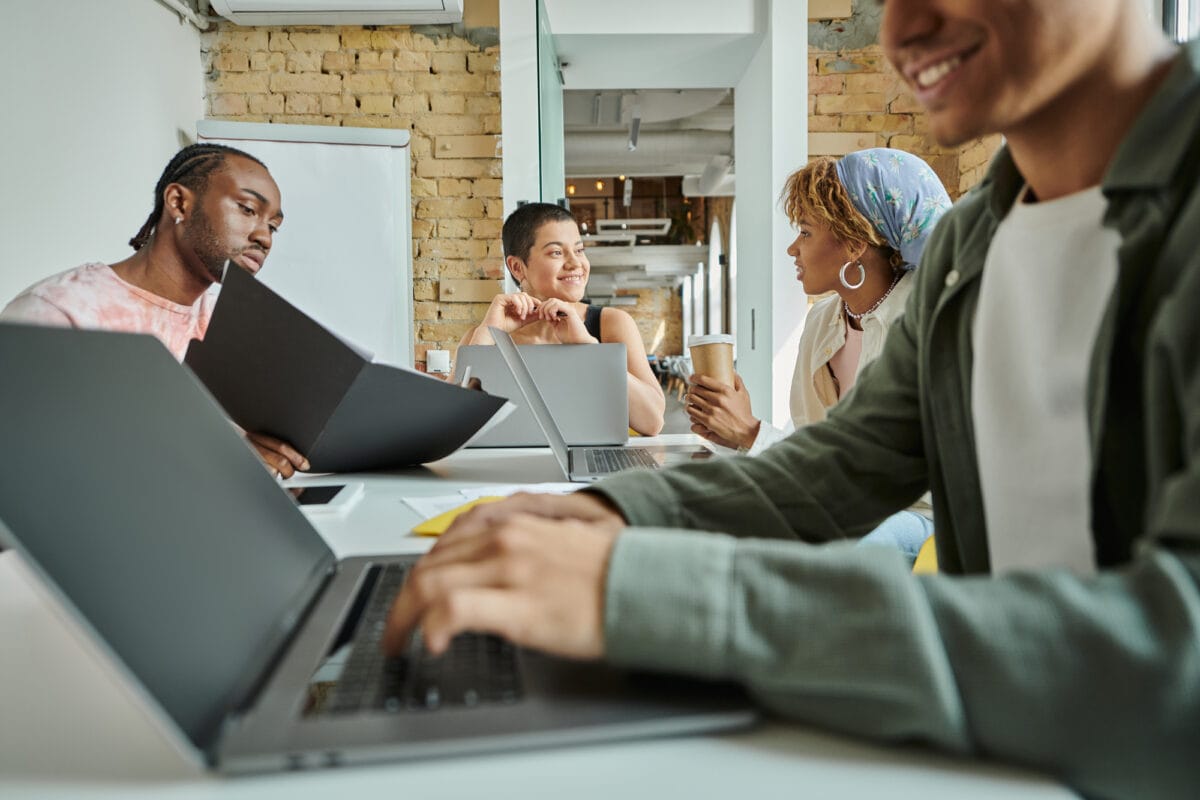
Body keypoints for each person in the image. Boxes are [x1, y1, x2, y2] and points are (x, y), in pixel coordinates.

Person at [381, 1, 1200, 796]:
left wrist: (640, 593)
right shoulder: (969, 242)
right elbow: (847, 462)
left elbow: (1176, 656)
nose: (900, 31)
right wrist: (612, 514)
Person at [686, 148, 950, 559]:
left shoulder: (925, 320)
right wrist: (731, 434)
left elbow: (876, 475)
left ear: (854, 244)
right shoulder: (825, 320)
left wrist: (753, 434)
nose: (793, 248)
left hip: (917, 514)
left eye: (806, 232)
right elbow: (815, 441)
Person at [0, 143, 308, 478]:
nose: (265, 237)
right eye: (248, 209)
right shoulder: (59, 313)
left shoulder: (227, 325)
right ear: (179, 202)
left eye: (273, 226)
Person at [458, 203, 666, 436]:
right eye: (557, 252)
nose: (575, 263)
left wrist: (588, 348)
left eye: (579, 250)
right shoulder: (481, 338)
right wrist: (488, 333)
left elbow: (652, 422)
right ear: (517, 267)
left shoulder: (611, 324)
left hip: (594, 469)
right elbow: (447, 427)